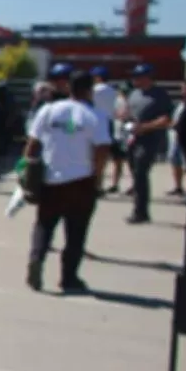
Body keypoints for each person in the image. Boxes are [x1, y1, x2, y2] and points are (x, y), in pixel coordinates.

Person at [24, 72, 110, 293]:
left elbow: (32, 144)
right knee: (76, 232)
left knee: (44, 224)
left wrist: (25, 172)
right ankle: (68, 277)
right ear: (89, 90)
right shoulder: (96, 116)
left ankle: (37, 257)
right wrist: (98, 179)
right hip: (81, 180)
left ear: (68, 88)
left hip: (51, 178)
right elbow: (102, 150)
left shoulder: (48, 110)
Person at [123, 64, 174, 224]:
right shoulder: (134, 94)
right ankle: (139, 208)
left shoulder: (160, 95)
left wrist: (145, 127)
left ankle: (141, 211)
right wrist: (127, 121)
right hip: (132, 138)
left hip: (150, 139)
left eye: (137, 76)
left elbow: (166, 119)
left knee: (140, 172)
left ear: (147, 77)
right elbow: (128, 113)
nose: (134, 79)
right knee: (135, 172)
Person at [91, 66, 127, 194]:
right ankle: (99, 185)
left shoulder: (94, 90)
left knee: (91, 156)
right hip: (109, 122)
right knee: (103, 157)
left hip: (95, 122)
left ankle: (93, 184)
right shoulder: (113, 91)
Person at [166, 82, 186, 197]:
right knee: (175, 162)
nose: (182, 91)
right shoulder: (180, 104)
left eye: (184, 88)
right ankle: (178, 187)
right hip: (175, 137)